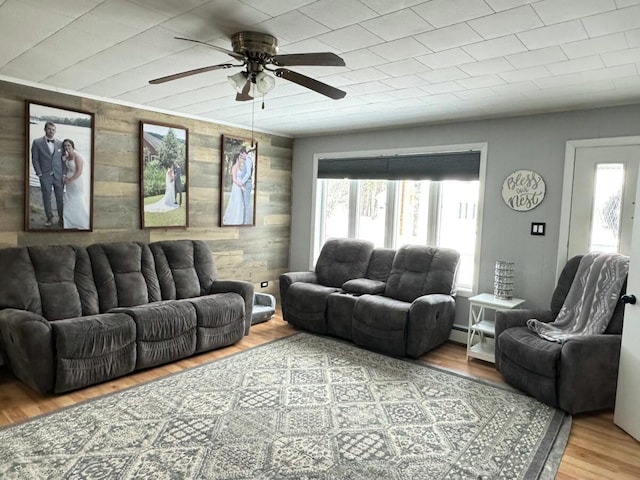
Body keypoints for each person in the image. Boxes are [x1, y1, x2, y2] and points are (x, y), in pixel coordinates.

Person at [31, 121, 65, 227]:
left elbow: (63, 160)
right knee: (47, 197)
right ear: (45, 129)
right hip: (45, 175)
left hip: (58, 175)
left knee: (60, 198)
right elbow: (35, 159)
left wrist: (64, 174)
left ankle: (61, 218)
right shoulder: (37, 142)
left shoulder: (60, 143)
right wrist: (39, 173)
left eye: (53, 129)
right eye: (49, 129)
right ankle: (49, 218)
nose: (51, 131)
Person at [61, 139, 89, 229]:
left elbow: (79, 171)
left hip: (76, 181)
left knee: (77, 200)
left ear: (72, 146)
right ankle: (69, 221)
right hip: (69, 183)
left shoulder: (78, 157)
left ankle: (80, 221)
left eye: (69, 145)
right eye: (65, 146)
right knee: (69, 199)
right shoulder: (67, 156)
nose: (67, 147)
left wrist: (70, 180)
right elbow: (67, 168)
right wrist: (65, 176)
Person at [222, 153, 245, 225]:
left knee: (240, 202)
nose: (242, 159)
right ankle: (234, 219)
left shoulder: (240, 167)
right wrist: (240, 185)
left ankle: (239, 219)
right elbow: (234, 179)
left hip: (240, 186)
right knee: (236, 201)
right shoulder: (234, 167)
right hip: (236, 187)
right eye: (240, 157)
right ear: (237, 158)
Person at [239, 146, 254, 224]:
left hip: (247, 183)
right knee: (245, 203)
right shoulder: (247, 160)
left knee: (247, 204)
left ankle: (246, 222)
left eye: (241, 155)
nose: (241, 157)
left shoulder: (248, 160)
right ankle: (245, 221)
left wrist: (242, 182)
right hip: (246, 183)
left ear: (244, 153)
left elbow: (248, 173)